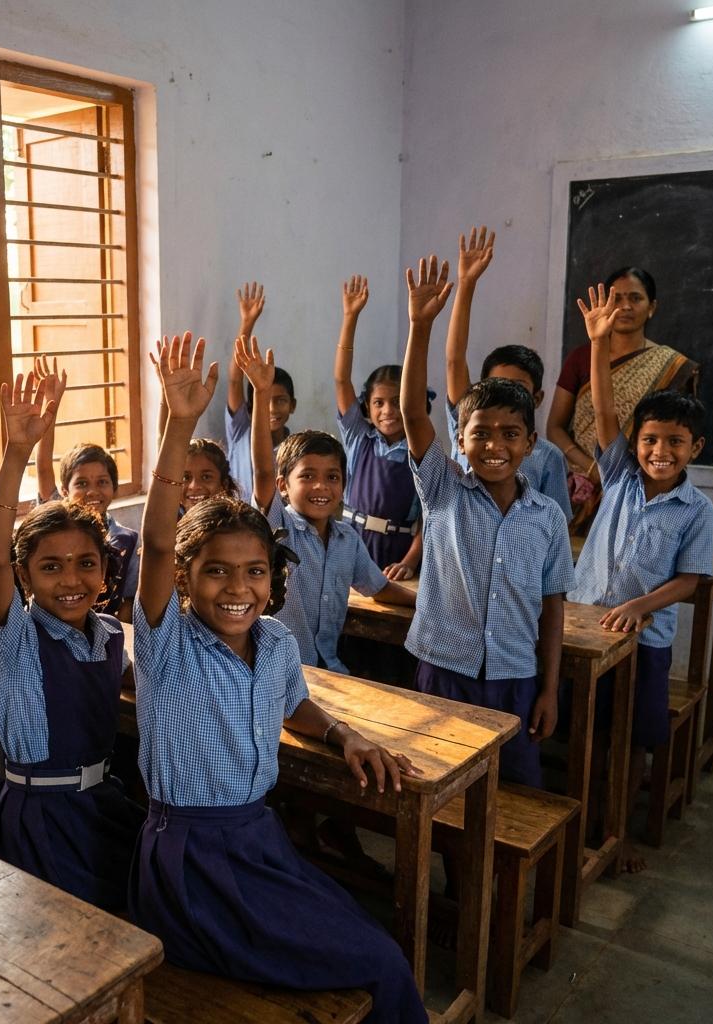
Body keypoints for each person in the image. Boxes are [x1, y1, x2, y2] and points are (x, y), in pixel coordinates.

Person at [129, 331, 427, 1024]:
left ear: (274, 578)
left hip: (258, 841)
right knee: (378, 961)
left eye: (255, 571)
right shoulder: (167, 645)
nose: (238, 588)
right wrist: (178, 423)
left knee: (366, 935)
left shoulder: (275, 642)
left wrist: (344, 733)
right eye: (216, 571)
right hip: (195, 864)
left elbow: (298, 709)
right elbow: (154, 540)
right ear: (183, 578)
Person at [400, 255, 573, 790]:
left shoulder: (546, 517)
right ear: (462, 440)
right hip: (444, 669)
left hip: (515, 676)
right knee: (442, 790)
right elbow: (412, 414)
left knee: (515, 791)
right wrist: (421, 326)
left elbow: (552, 605)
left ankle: (494, 878)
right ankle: (455, 877)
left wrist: (549, 688)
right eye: (481, 433)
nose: (494, 445)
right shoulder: (444, 489)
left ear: (530, 443)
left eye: (509, 434)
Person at [0, 372, 143, 909]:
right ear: (24, 576)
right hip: (41, 820)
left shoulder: (109, 633)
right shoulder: (17, 636)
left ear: (105, 572)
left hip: (101, 806)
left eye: (85, 565)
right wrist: (18, 452)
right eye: (50, 567)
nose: (70, 580)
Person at [567, 283, 713, 873]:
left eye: (674, 443)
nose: (660, 451)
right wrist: (598, 348)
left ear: (694, 449)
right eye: (650, 440)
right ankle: (573, 823)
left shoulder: (696, 509)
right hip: (584, 622)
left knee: (627, 741)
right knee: (581, 732)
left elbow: (692, 580)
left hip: (643, 642)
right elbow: (603, 410)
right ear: (634, 444)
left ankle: (616, 834)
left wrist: (641, 606)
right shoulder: (621, 477)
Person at [237, 335, 415, 676]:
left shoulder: (347, 539)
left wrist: (427, 605)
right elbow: (262, 467)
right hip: (279, 673)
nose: (321, 486)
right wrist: (261, 394)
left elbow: (378, 588)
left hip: (331, 670)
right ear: (283, 487)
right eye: (308, 477)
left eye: (332, 477)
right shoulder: (277, 529)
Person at [546, 266, 698, 534]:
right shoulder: (581, 358)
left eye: (635, 298)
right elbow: (555, 427)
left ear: (651, 307)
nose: (626, 306)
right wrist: (593, 469)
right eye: (617, 298)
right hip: (580, 488)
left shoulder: (671, 367)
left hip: (644, 486)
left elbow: (677, 431)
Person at [444, 226, 572, 521]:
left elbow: (556, 525)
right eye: (495, 384)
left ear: (537, 398)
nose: (505, 394)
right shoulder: (467, 426)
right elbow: (454, 360)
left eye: (518, 386)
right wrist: (466, 284)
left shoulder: (548, 456)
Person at [33, 354, 139, 623]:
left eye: (102, 482)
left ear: (114, 488)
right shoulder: (56, 522)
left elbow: (127, 601)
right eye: (81, 483)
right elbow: (43, 467)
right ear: (65, 491)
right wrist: (51, 408)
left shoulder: (128, 540)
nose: (93, 491)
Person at [334, 276, 426, 579]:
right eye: (379, 403)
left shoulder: (421, 452)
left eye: (397, 401)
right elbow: (341, 380)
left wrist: (410, 562)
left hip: (397, 557)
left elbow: (431, 520)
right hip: (349, 549)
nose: (388, 411)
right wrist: (350, 317)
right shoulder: (360, 439)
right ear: (367, 407)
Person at [224, 281, 296, 501]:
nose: (272, 408)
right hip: (238, 526)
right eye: (265, 400)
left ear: (293, 405)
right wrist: (247, 323)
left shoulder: (295, 448)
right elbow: (235, 380)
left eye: (281, 400)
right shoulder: (241, 432)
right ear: (250, 405)